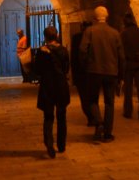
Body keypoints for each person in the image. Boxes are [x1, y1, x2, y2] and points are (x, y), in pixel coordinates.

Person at [79, 5, 123, 142]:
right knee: (109, 102)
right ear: (107, 16)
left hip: (93, 71)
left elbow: (82, 50)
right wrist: (120, 74)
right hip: (111, 71)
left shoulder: (90, 31)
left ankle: (98, 122)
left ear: (95, 17)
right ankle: (108, 133)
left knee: (92, 100)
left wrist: (85, 66)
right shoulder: (115, 33)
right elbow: (121, 56)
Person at [34, 25, 70, 158]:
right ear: (57, 35)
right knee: (62, 116)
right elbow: (66, 68)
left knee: (48, 117)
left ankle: (49, 143)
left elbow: (37, 70)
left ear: (45, 37)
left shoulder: (41, 52)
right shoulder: (63, 50)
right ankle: (61, 144)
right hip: (61, 85)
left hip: (47, 86)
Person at [70, 21, 95, 126]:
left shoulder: (76, 38)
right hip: (93, 72)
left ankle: (91, 117)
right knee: (93, 97)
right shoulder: (94, 37)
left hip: (81, 73)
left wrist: (74, 75)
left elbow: (73, 58)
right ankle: (94, 116)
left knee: (84, 97)